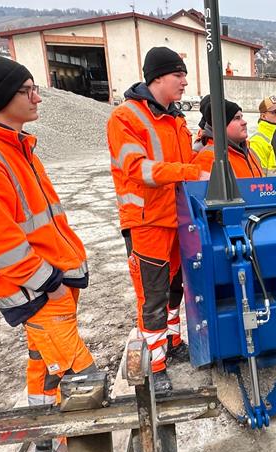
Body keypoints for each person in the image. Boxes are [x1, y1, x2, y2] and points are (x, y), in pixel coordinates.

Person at [0, 54, 95, 452]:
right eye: (27, 90)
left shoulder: (16, 148)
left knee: (43, 364)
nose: (37, 98)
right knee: (80, 375)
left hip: (51, 287)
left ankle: (45, 437)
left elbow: (42, 221)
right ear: (0, 97)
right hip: (39, 293)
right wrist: (48, 282)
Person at [106, 47, 208, 389]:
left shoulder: (176, 118)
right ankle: (154, 366)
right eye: (178, 75)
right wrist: (191, 171)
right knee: (152, 296)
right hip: (147, 221)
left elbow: (182, 164)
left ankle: (172, 343)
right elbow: (137, 169)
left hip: (176, 218)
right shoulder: (126, 118)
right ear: (158, 77)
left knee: (176, 287)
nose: (184, 81)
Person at [192, 96, 264, 179]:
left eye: (242, 117)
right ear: (221, 126)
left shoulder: (249, 151)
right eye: (237, 118)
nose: (244, 122)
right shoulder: (208, 157)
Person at [249, 95, 276, 175]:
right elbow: (257, 176)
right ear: (263, 116)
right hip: (271, 187)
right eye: (275, 112)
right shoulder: (256, 142)